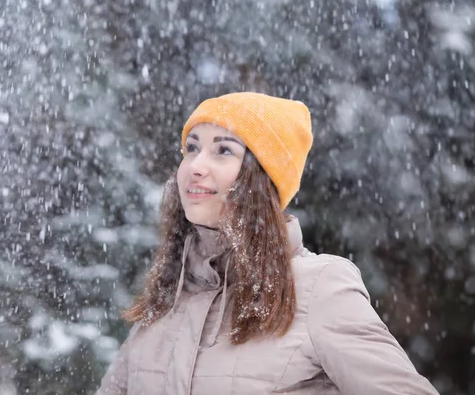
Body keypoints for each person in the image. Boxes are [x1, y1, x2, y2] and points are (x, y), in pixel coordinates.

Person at [96, 92, 438, 394]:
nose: (195, 166)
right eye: (192, 147)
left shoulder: (318, 288)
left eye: (223, 150)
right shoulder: (166, 301)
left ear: (262, 178)